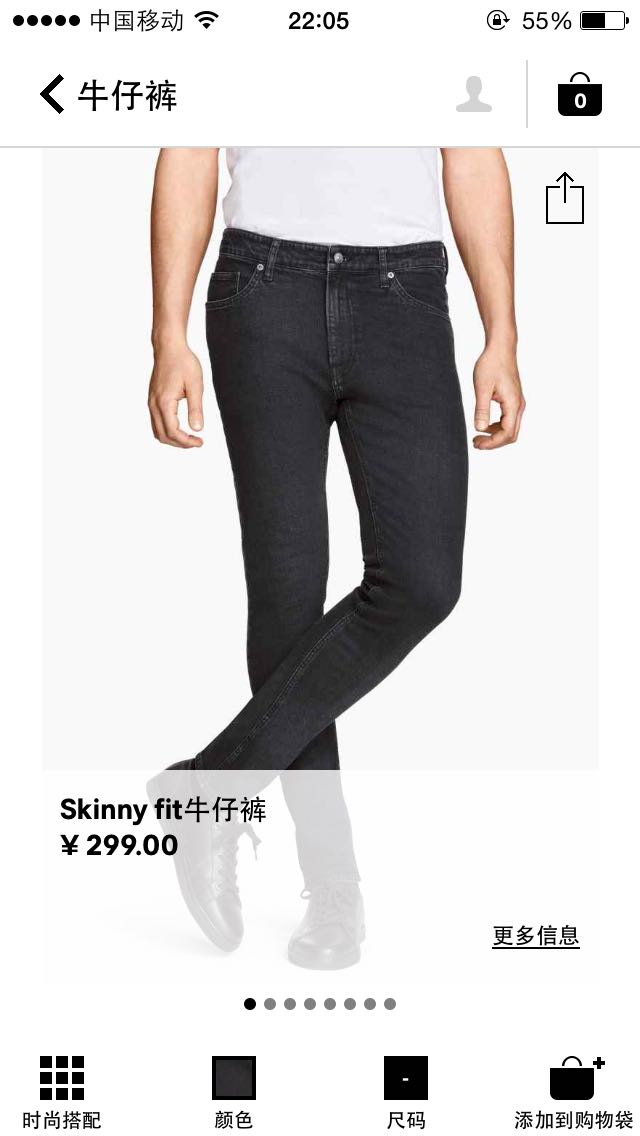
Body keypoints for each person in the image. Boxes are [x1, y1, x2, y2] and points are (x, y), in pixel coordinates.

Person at [147, 147, 525, 967]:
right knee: (286, 600)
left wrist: (503, 333)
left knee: (421, 582)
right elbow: (189, 149)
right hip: (261, 287)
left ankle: (209, 786)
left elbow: (473, 155)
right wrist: (167, 334)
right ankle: (333, 888)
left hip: (404, 292)